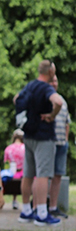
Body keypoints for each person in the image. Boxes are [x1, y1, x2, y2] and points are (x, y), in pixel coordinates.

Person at [15, 60, 64, 226]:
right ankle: (42, 213)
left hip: (28, 135)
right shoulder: (46, 88)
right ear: (50, 72)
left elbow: (16, 99)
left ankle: (26, 211)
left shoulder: (30, 86)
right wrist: (52, 114)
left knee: (28, 174)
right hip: (44, 137)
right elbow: (58, 102)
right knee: (43, 174)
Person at [49, 76, 69, 218]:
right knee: (43, 175)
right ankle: (39, 205)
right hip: (48, 143)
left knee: (58, 176)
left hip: (62, 143)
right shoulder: (45, 99)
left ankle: (53, 206)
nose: (54, 83)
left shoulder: (62, 101)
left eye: (56, 81)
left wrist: (66, 139)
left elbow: (67, 122)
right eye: (52, 81)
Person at [3, 129, 25, 209]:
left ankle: (14, 199)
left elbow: (6, 164)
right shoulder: (25, 148)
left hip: (12, 175)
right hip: (24, 175)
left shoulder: (8, 149)